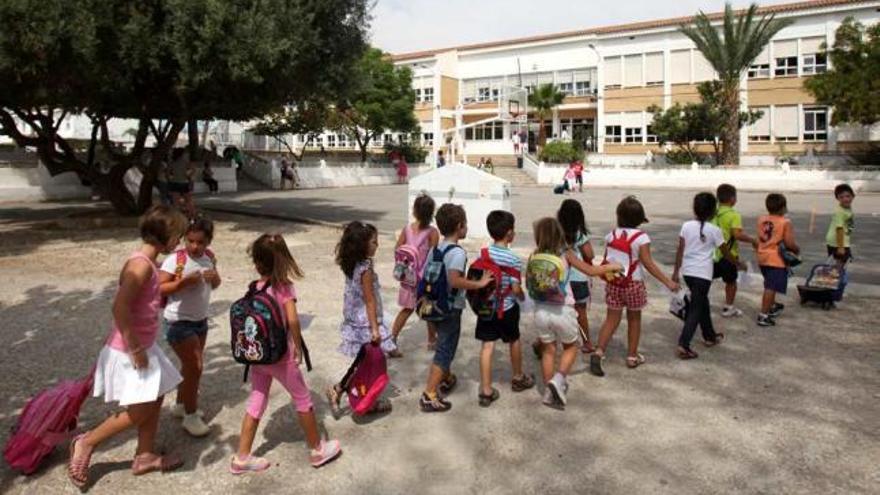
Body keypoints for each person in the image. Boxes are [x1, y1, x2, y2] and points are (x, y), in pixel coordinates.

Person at [67, 205, 188, 488]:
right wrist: (135, 349)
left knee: (156, 395)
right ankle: (86, 442)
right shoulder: (140, 266)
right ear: (167, 236)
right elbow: (119, 306)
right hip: (129, 349)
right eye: (178, 236)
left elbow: (142, 302)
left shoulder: (149, 263)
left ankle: (144, 455)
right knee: (138, 411)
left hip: (143, 344)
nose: (179, 242)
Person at [232, 234, 342, 473]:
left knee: (257, 398)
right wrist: (298, 347)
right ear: (283, 260)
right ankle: (317, 449)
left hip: (258, 356)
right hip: (281, 356)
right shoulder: (284, 287)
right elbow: (292, 319)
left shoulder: (254, 288)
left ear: (257, 262)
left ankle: (242, 456)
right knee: (303, 398)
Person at [590, 196, 679, 376]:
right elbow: (648, 263)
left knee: (611, 319)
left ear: (619, 216)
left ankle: (599, 351)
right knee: (634, 319)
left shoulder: (611, 235)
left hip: (613, 282)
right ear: (640, 219)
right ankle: (632, 356)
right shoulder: (641, 238)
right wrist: (667, 281)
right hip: (633, 284)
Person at [420, 204, 493, 412]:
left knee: (444, 344)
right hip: (450, 308)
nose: (466, 227)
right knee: (445, 350)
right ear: (460, 226)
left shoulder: (437, 248)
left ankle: (446, 377)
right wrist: (479, 284)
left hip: (433, 305)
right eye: (466, 224)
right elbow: (454, 281)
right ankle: (429, 394)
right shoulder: (458, 253)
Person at [326, 222, 398, 415]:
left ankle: (349, 392)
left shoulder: (352, 262)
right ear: (362, 245)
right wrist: (375, 329)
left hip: (355, 318)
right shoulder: (364, 268)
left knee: (365, 359)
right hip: (365, 322)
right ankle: (348, 392)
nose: (377, 245)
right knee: (370, 362)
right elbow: (369, 300)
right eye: (374, 242)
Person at [158, 218, 220, 437]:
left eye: (200, 242)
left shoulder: (209, 258)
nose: (195, 246)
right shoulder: (175, 260)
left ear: (209, 242)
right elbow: (160, 288)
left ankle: (181, 405)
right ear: (184, 239)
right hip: (178, 322)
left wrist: (214, 277)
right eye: (190, 241)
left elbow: (215, 283)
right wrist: (183, 283)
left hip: (200, 321)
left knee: (189, 366)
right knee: (196, 367)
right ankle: (191, 417)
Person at [475, 211, 534, 407]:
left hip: (486, 308)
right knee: (514, 340)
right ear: (509, 233)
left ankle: (485, 390)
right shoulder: (514, 259)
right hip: (507, 307)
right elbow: (516, 289)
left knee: (487, 345)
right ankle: (517, 377)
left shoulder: (483, 253)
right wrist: (523, 297)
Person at [672, 193, 726, 360]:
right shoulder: (715, 230)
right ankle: (684, 343)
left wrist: (676, 271)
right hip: (703, 274)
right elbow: (724, 252)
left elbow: (680, 250)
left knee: (702, 303)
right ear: (713, 210)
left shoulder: (686, 226)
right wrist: (738, 263)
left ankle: (709, 335)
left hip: (688, 272)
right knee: (696, 308)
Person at [390, 195, 439, 356]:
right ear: (431, 213)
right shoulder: (432, 232)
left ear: (415, 211)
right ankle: (431, 341)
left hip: (407, 277)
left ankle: (393, 340)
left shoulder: (407, 229)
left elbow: (397, 250)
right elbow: (434, 258)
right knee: (427, 307)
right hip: (423, 278)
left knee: (408, 309)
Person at [712, 184, 757, 318]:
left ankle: (696, 299)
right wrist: (753, 240)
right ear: (732, 199)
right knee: (731, 282)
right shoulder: (733, 215)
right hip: (729, 254)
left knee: (708, 278)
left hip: (713, 254)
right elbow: (737, 234)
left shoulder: (714, 213)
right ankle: (728, 307)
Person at [756, 194, 799, 327]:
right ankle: (763, 315)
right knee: (771, 287)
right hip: (776, 258)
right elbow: (789, 243)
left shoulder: (761, 219)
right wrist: (796, 250)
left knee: (769, 283)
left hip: (762, 256)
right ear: (782, 207)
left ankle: (772, 306)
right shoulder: (785, 222)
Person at [558, 199, 595, 353]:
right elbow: (590, 255)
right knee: (581, 312)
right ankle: (586, 343)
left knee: (557, 311)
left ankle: (542, 342)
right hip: (578, 278)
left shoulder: (556, 233)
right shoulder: (579, 234)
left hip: (560, 277)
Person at [825, 183, 855, 264]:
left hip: (842, 241)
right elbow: (839, 229)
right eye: (841, 197)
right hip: (837, 243)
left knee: (844, 264)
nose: (845, 199)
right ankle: (833, 276)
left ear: (853, 196)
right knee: (837, 267)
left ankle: (839, 275)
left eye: (848, 196)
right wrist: (840, 247)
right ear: (837, 198)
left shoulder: (847, 207)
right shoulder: (840, 212)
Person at [168, 149, 195, 217]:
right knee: (188, 200)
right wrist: (188, 176)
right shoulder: (186, 162)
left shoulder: (172, 162)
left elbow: (167, 173)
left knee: (175, 202)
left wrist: (170, 178)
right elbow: (193, 170)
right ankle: (191, 214)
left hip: (174, 182)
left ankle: (176, 216)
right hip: (184, 182)